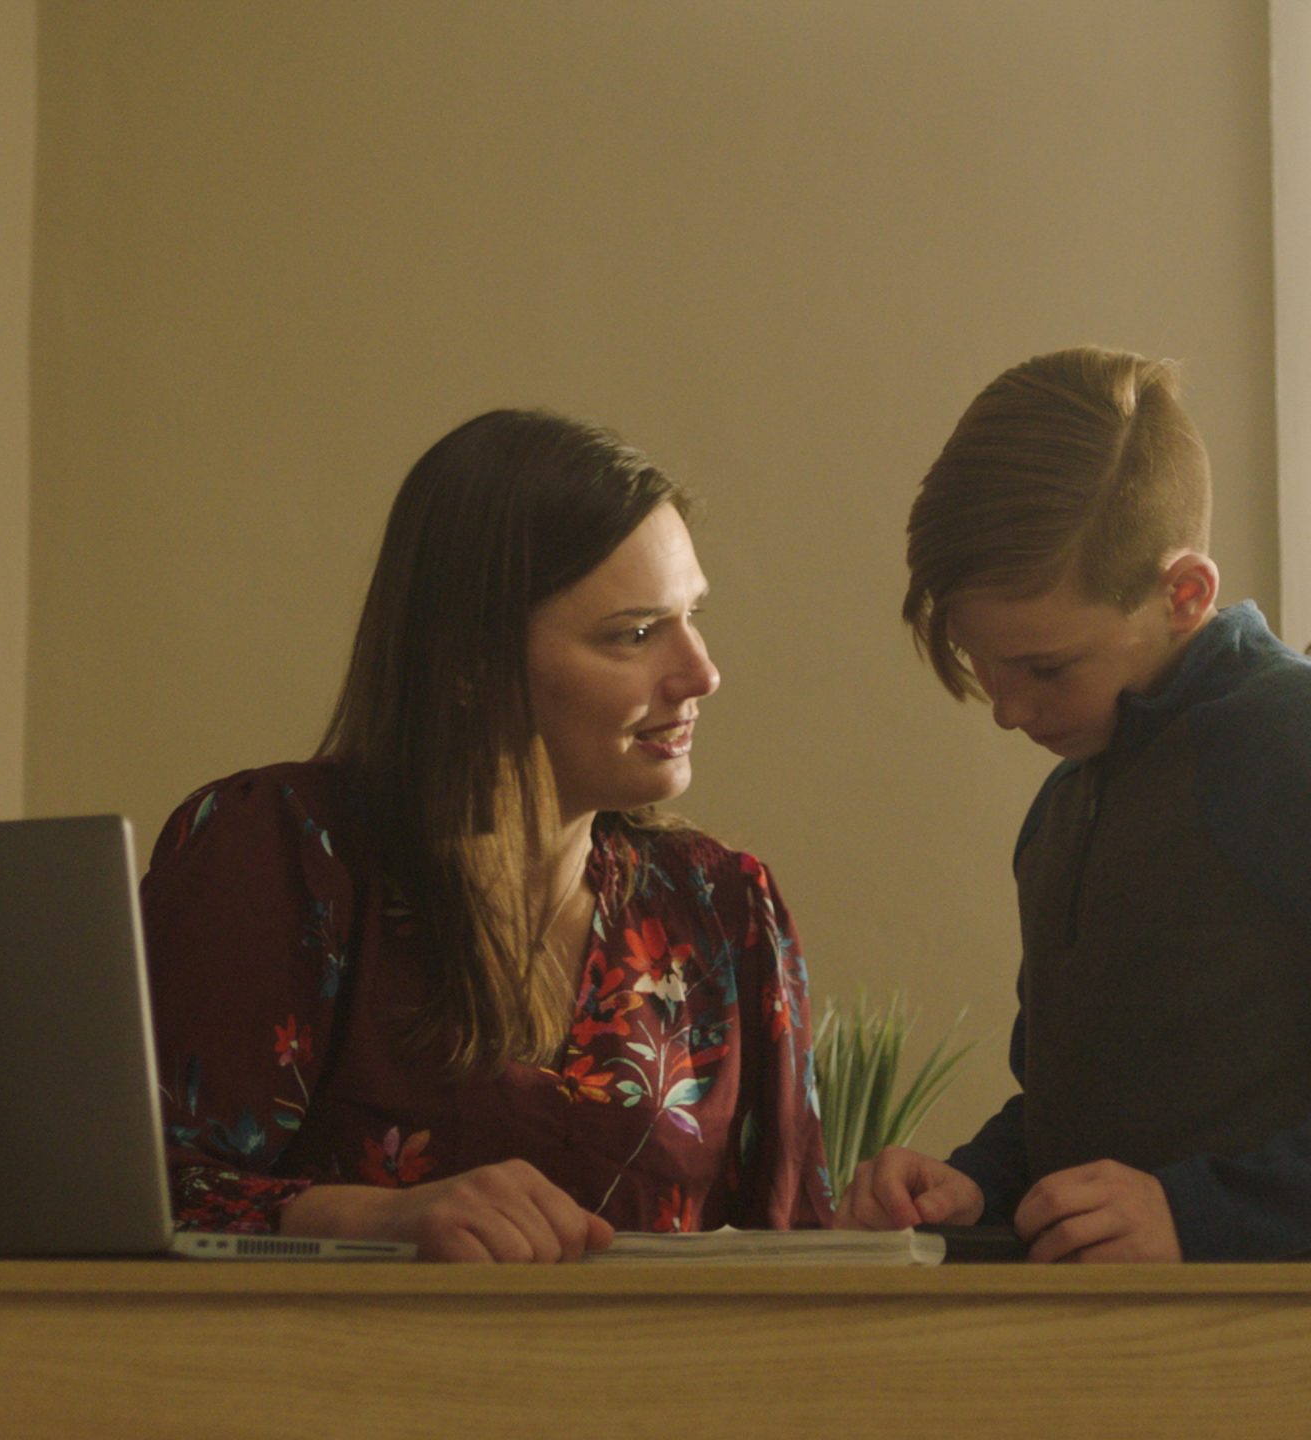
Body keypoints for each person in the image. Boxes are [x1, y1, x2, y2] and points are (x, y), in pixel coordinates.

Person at [837, 347, 1311, 1436]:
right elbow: (1090, 1107)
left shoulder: (1299, 738)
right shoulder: (1069, 803)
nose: (1006, 710)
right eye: (985, 667)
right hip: (1154, 1377)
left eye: (1044, 669)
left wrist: (1200, 1212)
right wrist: (977, 1181)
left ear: (1185, 593)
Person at [143, 408, 832, 1264]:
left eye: (692, 616)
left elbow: (796, 1251)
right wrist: (374, 1220)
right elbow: (143, 1196)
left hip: (655, 1395)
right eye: (637, 634)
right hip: (331, 1389)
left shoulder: (724, 908)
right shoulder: (285, 857)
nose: (701, 673)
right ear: (470, 663)